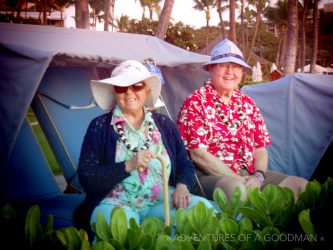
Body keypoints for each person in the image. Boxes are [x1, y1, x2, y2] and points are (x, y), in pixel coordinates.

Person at [73, 60, 214, 239]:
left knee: (203, 211)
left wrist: (182, 185)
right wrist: (128, 165)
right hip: (117, 203)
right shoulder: (100, 127)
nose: (130, 92)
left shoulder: (164, 124)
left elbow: (184, 162)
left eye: (137, 85)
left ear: (147, 90)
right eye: (121, 87)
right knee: (120, 231)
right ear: (114, 93)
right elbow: (88, 179)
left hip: (162, 200)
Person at [176, 39, 308, 201]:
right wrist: (238, 179)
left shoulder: (248, 103)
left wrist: (259, 176)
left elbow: (259, 149)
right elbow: (198, 155)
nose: (230, 72)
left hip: (250, 175)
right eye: (224, 65)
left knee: (300, 185)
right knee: (237, 190)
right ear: (211, 68)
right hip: (208, 175)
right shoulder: (195, 102)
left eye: (236, 66)